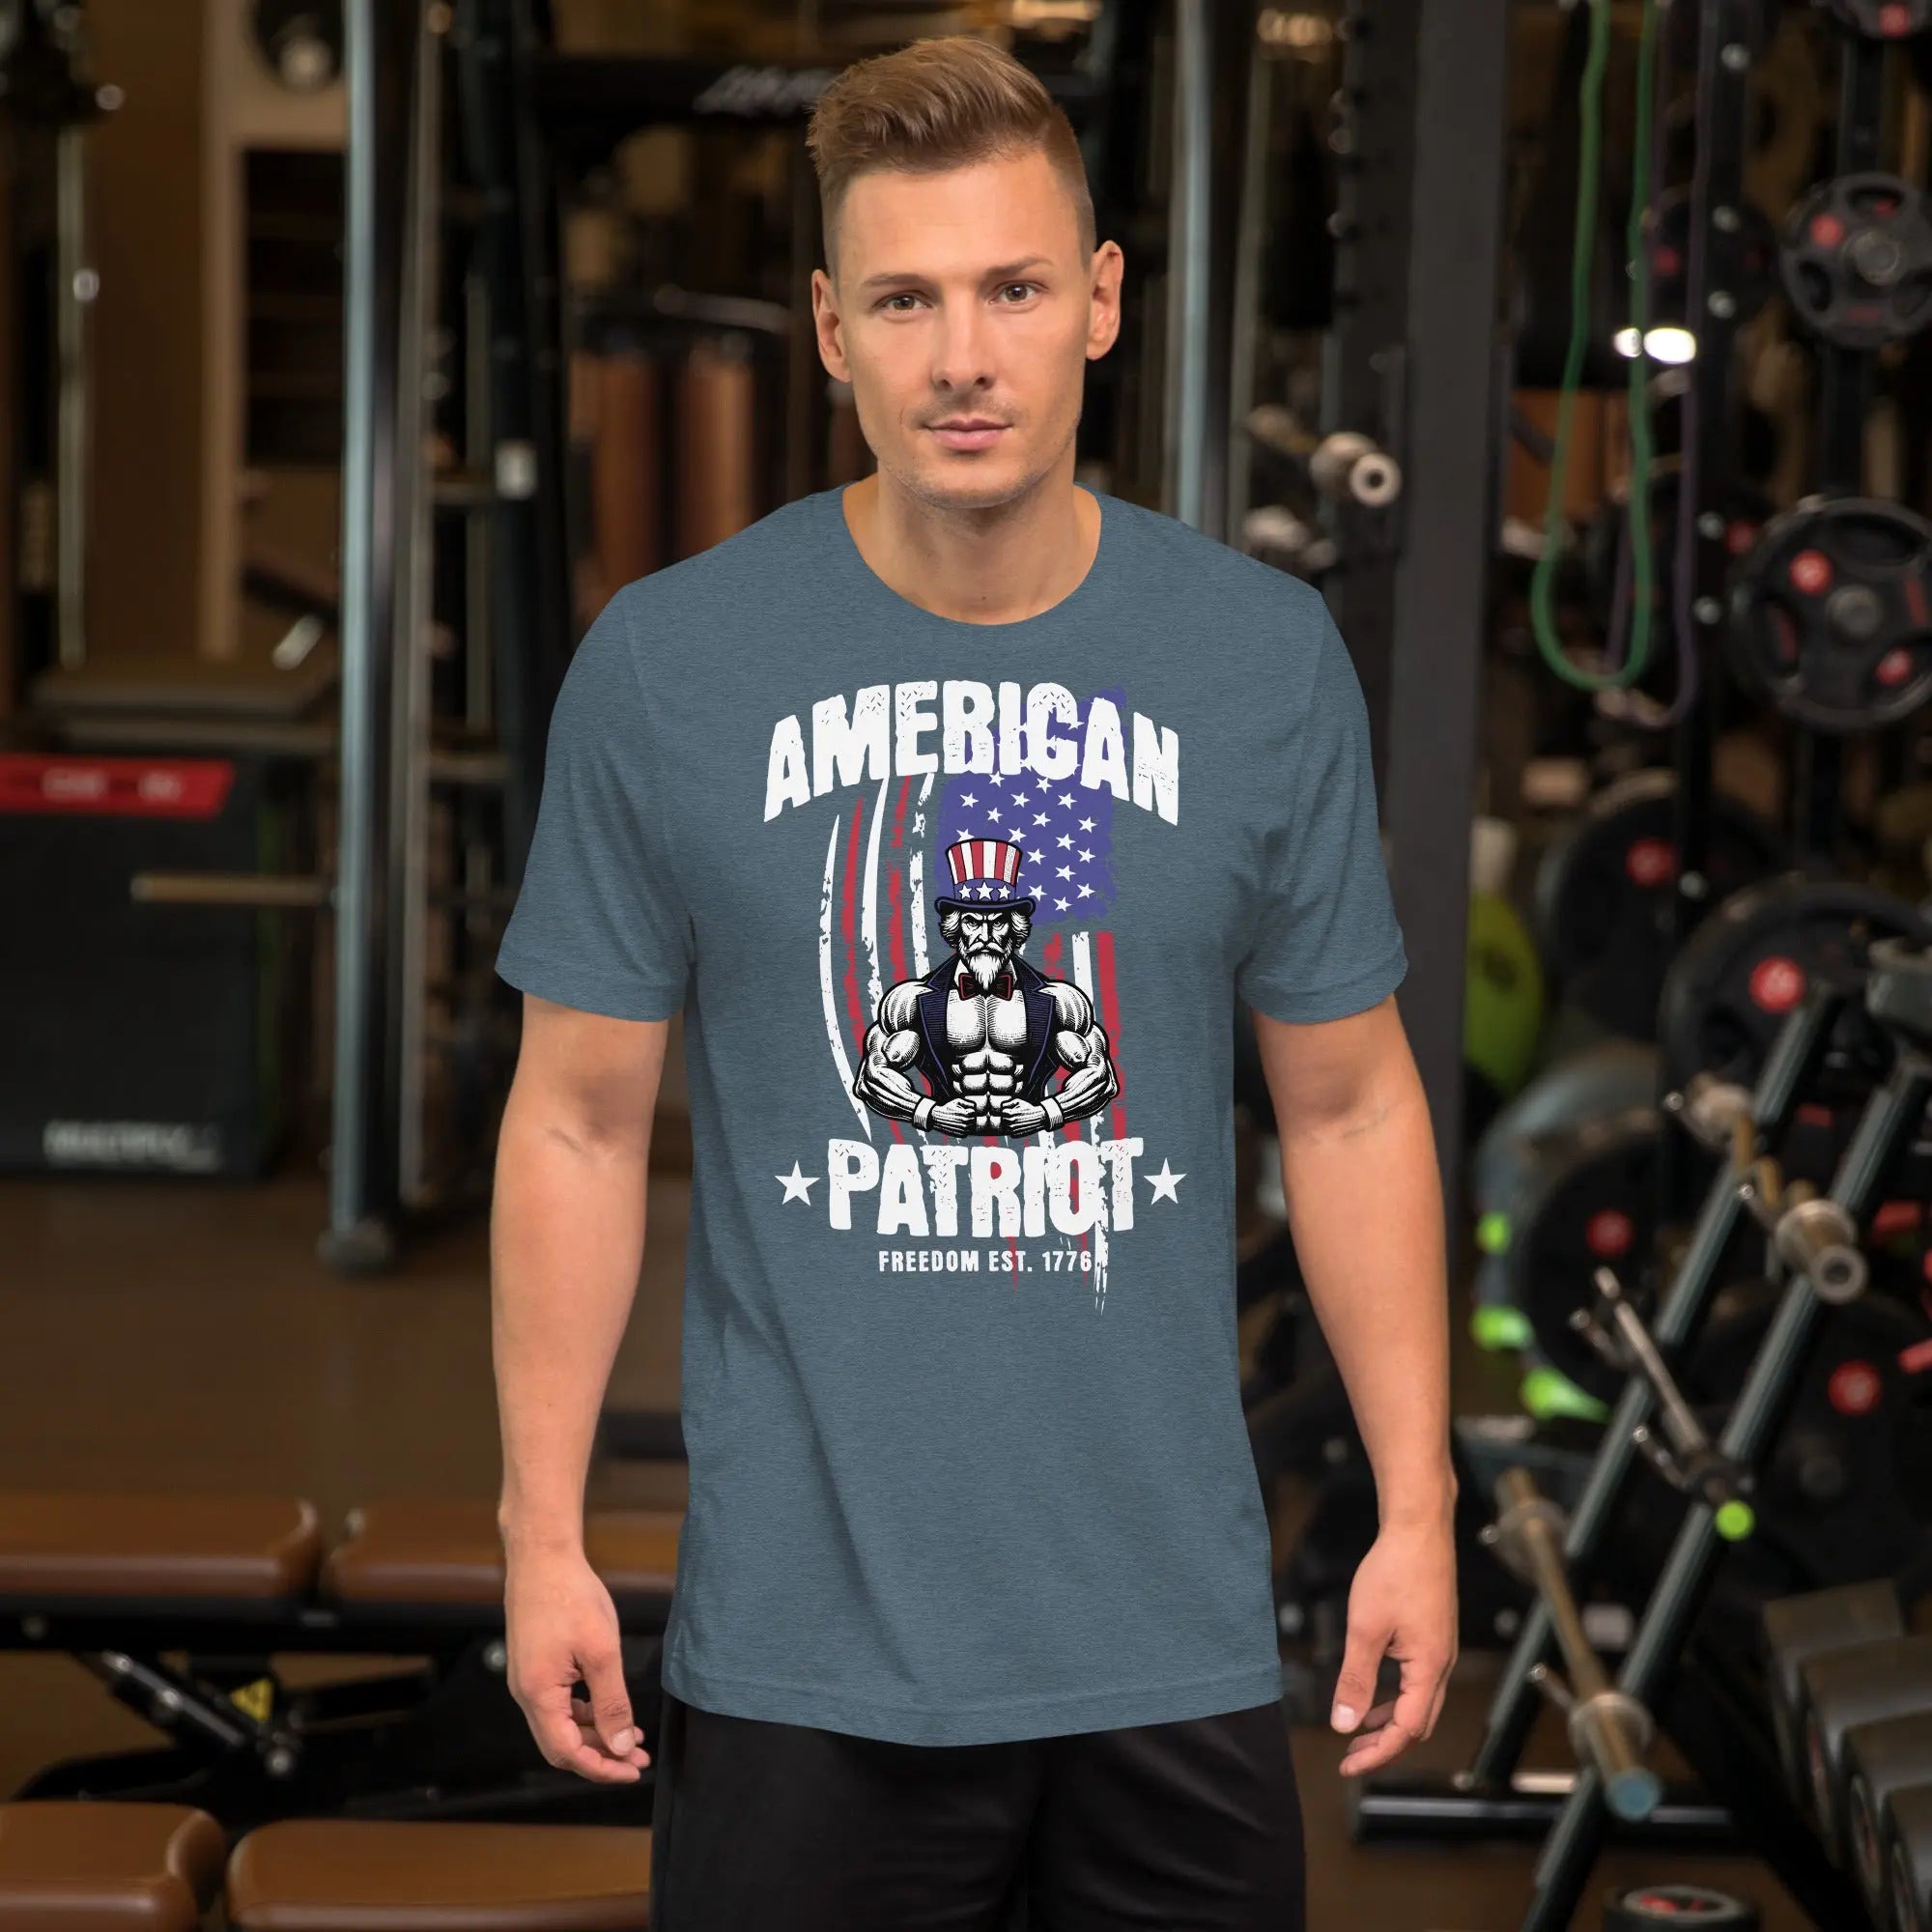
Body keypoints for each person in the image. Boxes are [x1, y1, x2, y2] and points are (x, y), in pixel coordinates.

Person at [490, 31, 1455, 1931]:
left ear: (1098, 304)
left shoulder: (1255, 661)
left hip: (1165, 1643)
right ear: (831, 327)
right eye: (908, 299)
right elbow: (578, 1121)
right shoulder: (673, 666)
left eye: (1013, 288)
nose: (962, 357)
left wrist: (1413, 1511)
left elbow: (1349, 1101)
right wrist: (540, 1533)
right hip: (805, 1653)